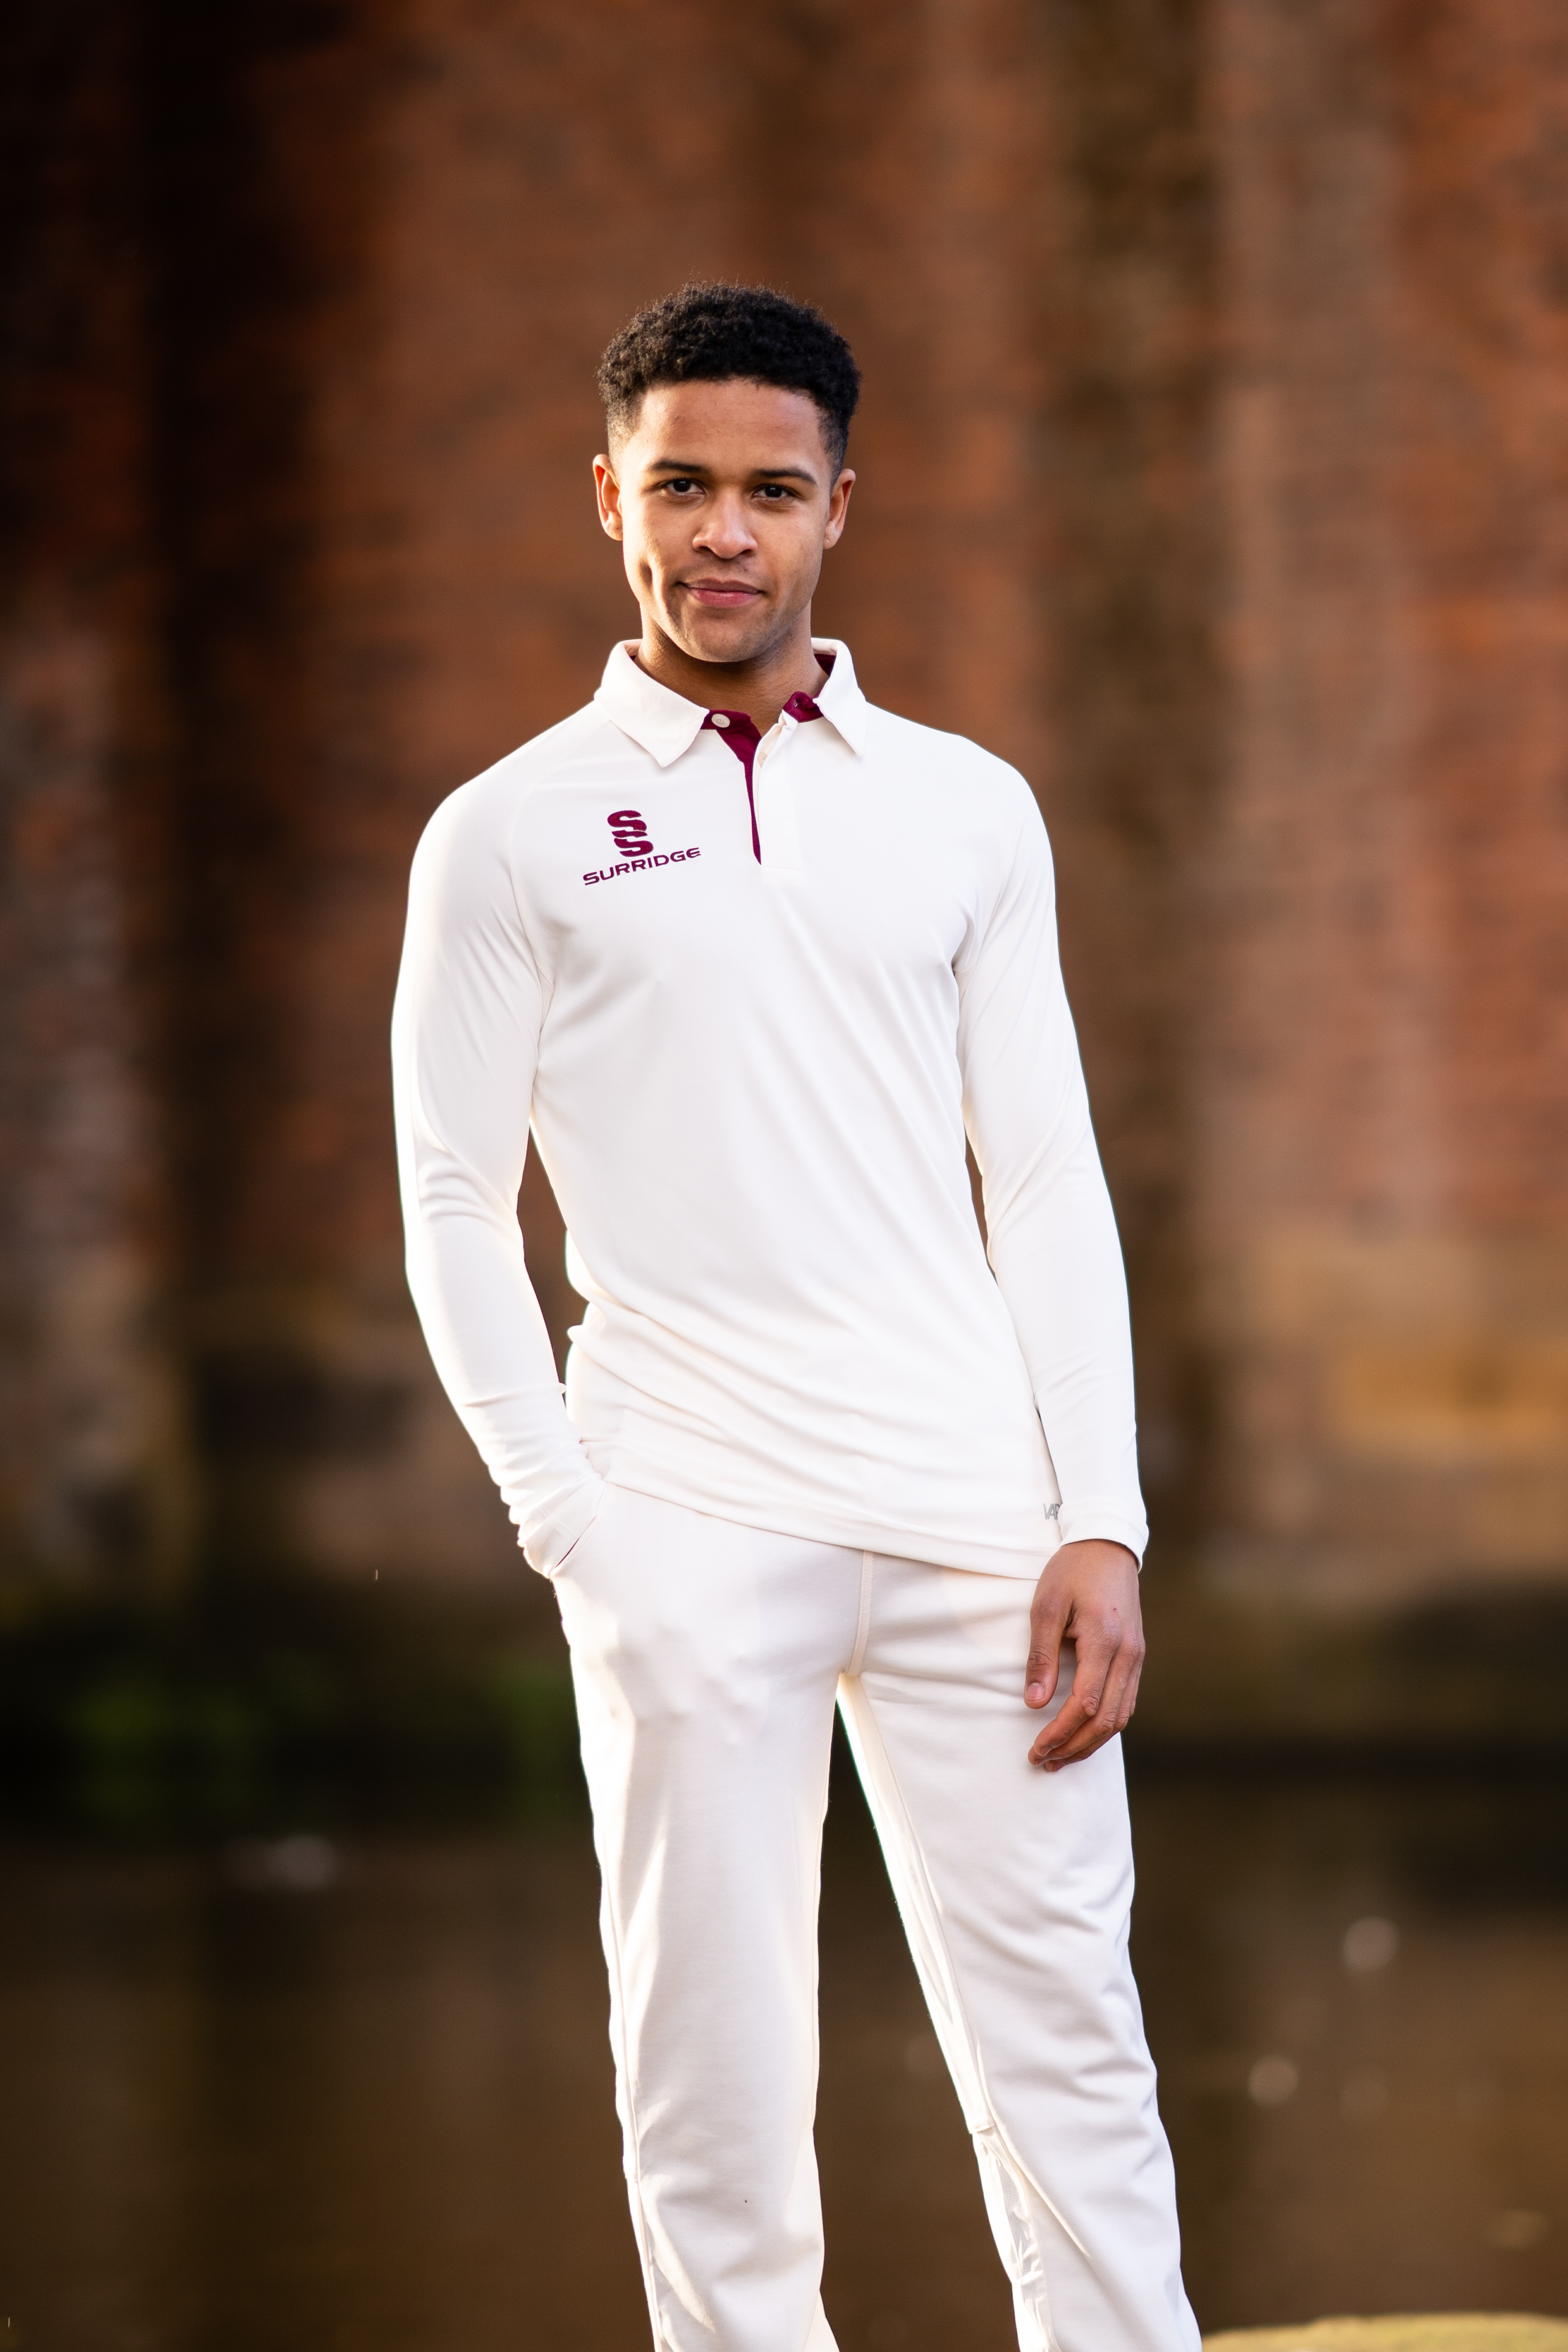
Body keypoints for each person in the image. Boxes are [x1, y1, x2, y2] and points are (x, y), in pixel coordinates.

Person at [392, 281, 1198, 2352]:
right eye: (680, 487)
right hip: (683, 1516)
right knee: (714, 2088)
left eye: (768, 489)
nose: (722, 532)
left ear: (841, 503)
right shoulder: (506, 833)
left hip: (974, 1520)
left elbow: (1043, 1178)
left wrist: (1096, 1516)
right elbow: (454, 1199)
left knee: (1074, 2059)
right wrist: (576, 1529)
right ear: (611, 500)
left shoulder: (965, 805)